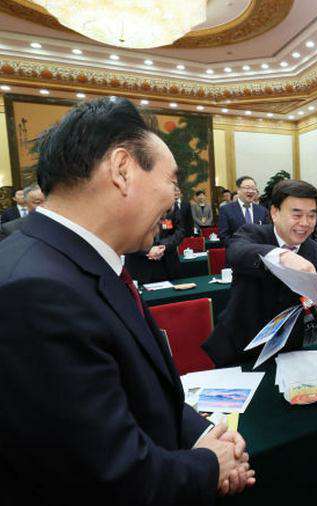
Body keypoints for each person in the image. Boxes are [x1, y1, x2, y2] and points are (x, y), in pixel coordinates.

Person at [0, 97, 254, 505]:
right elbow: (108, 475)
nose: (174, 198)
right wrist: (211, 465)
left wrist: (204, 434)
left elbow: (142, 393)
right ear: (122, 170)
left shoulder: (80, 259)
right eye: (172, 181)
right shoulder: (35, 292)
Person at [203, 179, 317, 366]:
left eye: (311, 215)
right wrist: (283, 256)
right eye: (297, 215)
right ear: (275, 213)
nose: (305, 223)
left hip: (287, 349)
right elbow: (235, 252)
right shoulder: (252, 233)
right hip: (239, 344)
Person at [124, 201, 185, 284]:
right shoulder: (128, 202)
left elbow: (180, 231)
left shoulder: (169, 201)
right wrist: (148, 250)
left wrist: (163, 245)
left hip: (168, 264)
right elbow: (124, 236)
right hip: (139, 266)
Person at [218, 176, 269, 245]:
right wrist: (240, 247)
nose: (251, 191)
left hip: (259, 250)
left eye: (253, 188)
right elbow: (223, 236)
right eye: (247, 188)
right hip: (237, 250)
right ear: (238, 190)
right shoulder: (226, 210)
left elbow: (266, 234)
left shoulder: (262, 211)